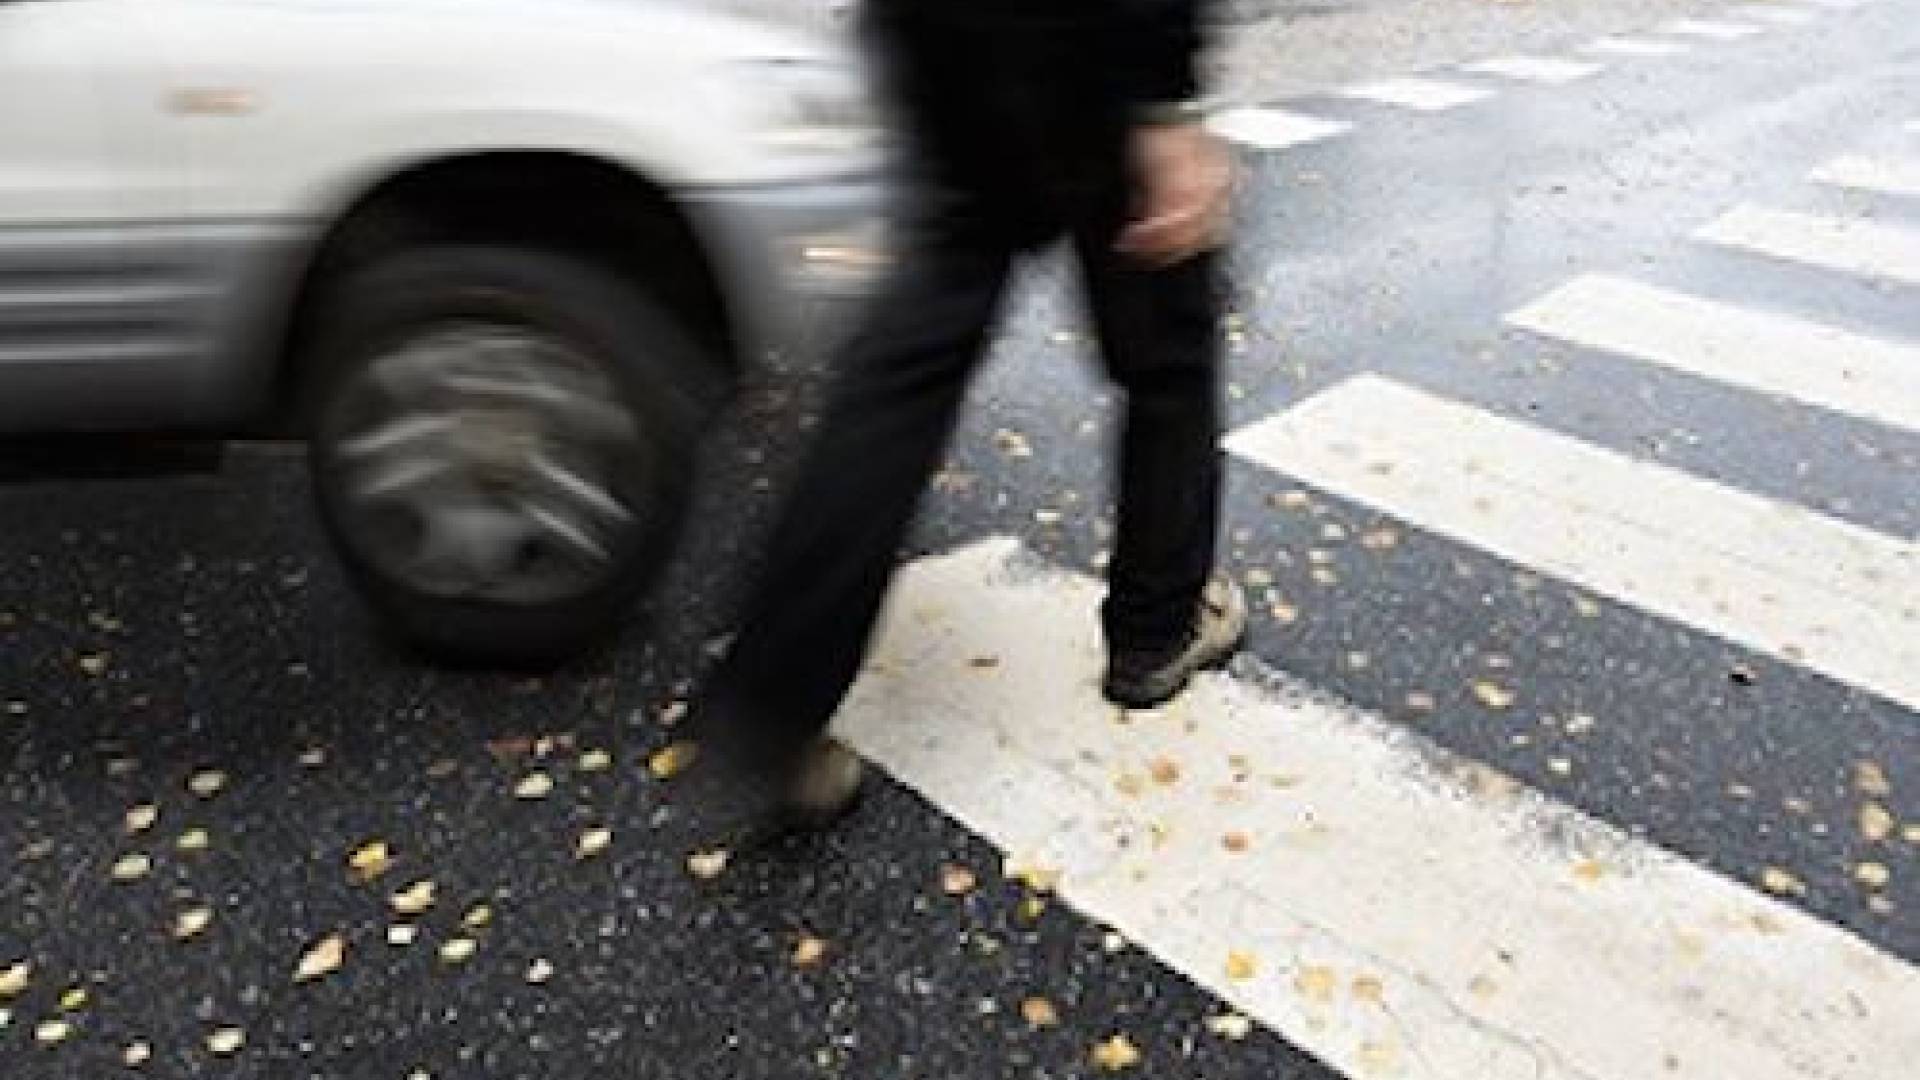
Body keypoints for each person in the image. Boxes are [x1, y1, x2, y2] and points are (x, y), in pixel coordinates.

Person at [697, 0, 1243, 827]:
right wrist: (1165, 101)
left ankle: (773, 704)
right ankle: (1157, 630)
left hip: (938, 35)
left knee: (902, 375)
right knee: (1168, 351)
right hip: (1090, 45)